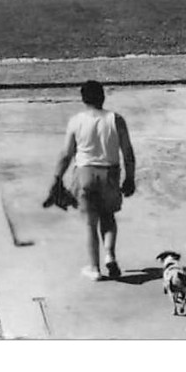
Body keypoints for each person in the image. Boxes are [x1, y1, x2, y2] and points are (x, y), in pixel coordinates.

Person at [51, 80, 137, 281]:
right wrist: (130, 177)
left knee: (90, 223)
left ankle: (94, 268)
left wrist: (57, 177)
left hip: (85, 174)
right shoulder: (116, 119)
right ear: (103, 97)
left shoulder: (76, 121)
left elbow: (66, 153)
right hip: (110, 173)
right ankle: (110, 255)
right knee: (108, 217)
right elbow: (128, 152)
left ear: (83, 99)